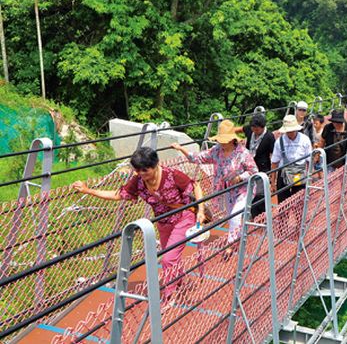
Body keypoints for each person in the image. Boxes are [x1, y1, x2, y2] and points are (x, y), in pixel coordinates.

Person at [72, 147, 205, 298]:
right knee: (171, 256)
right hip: (163, 222)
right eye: (138, 170)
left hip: (183, 217)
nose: (142, 174)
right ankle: (179, 281)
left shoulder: (172, 175)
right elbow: (117, 195)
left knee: (168, 258)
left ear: (156, 165)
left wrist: (200, 210)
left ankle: (170, 294)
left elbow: (195, 186)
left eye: (145, 170)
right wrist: (88, 190)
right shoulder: (139, 182)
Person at [172, 120, 258, 257]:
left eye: (225, 140)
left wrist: (240, 177)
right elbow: (198, 158)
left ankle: (230, 246)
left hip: (243, 189)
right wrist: (181, 149)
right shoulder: (216, 151)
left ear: (232, 140)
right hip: (227, 190)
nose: (222, 143)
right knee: (232, 217)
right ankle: (238, 237)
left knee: (235, 216)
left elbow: (254, 171)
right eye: (220, 140)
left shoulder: (243, 153)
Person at [234, 114, 275, 218]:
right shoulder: (249, 130)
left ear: (262, 127)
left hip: (262, 167)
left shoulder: (269, 137)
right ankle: (251, 213)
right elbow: (237, 130)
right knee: (248, 190)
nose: (254, 130)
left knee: (260, 193)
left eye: (257, 129)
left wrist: (273, 175)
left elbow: (273, 154)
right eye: (253, 128)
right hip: (248, 166)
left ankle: (261, 216)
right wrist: (235, 138)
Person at [271, 114, 313, 204]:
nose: (290, 132)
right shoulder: (279, 141)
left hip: (299, 173)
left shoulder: (305, 140)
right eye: (288, 131)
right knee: (283, 203)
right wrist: (273, 182)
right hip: (283, 174)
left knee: (299, 202)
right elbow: (274, 162)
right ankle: (284, 218)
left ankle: (300, 218)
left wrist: (310, 177)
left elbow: (309, 160)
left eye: (292, 130)